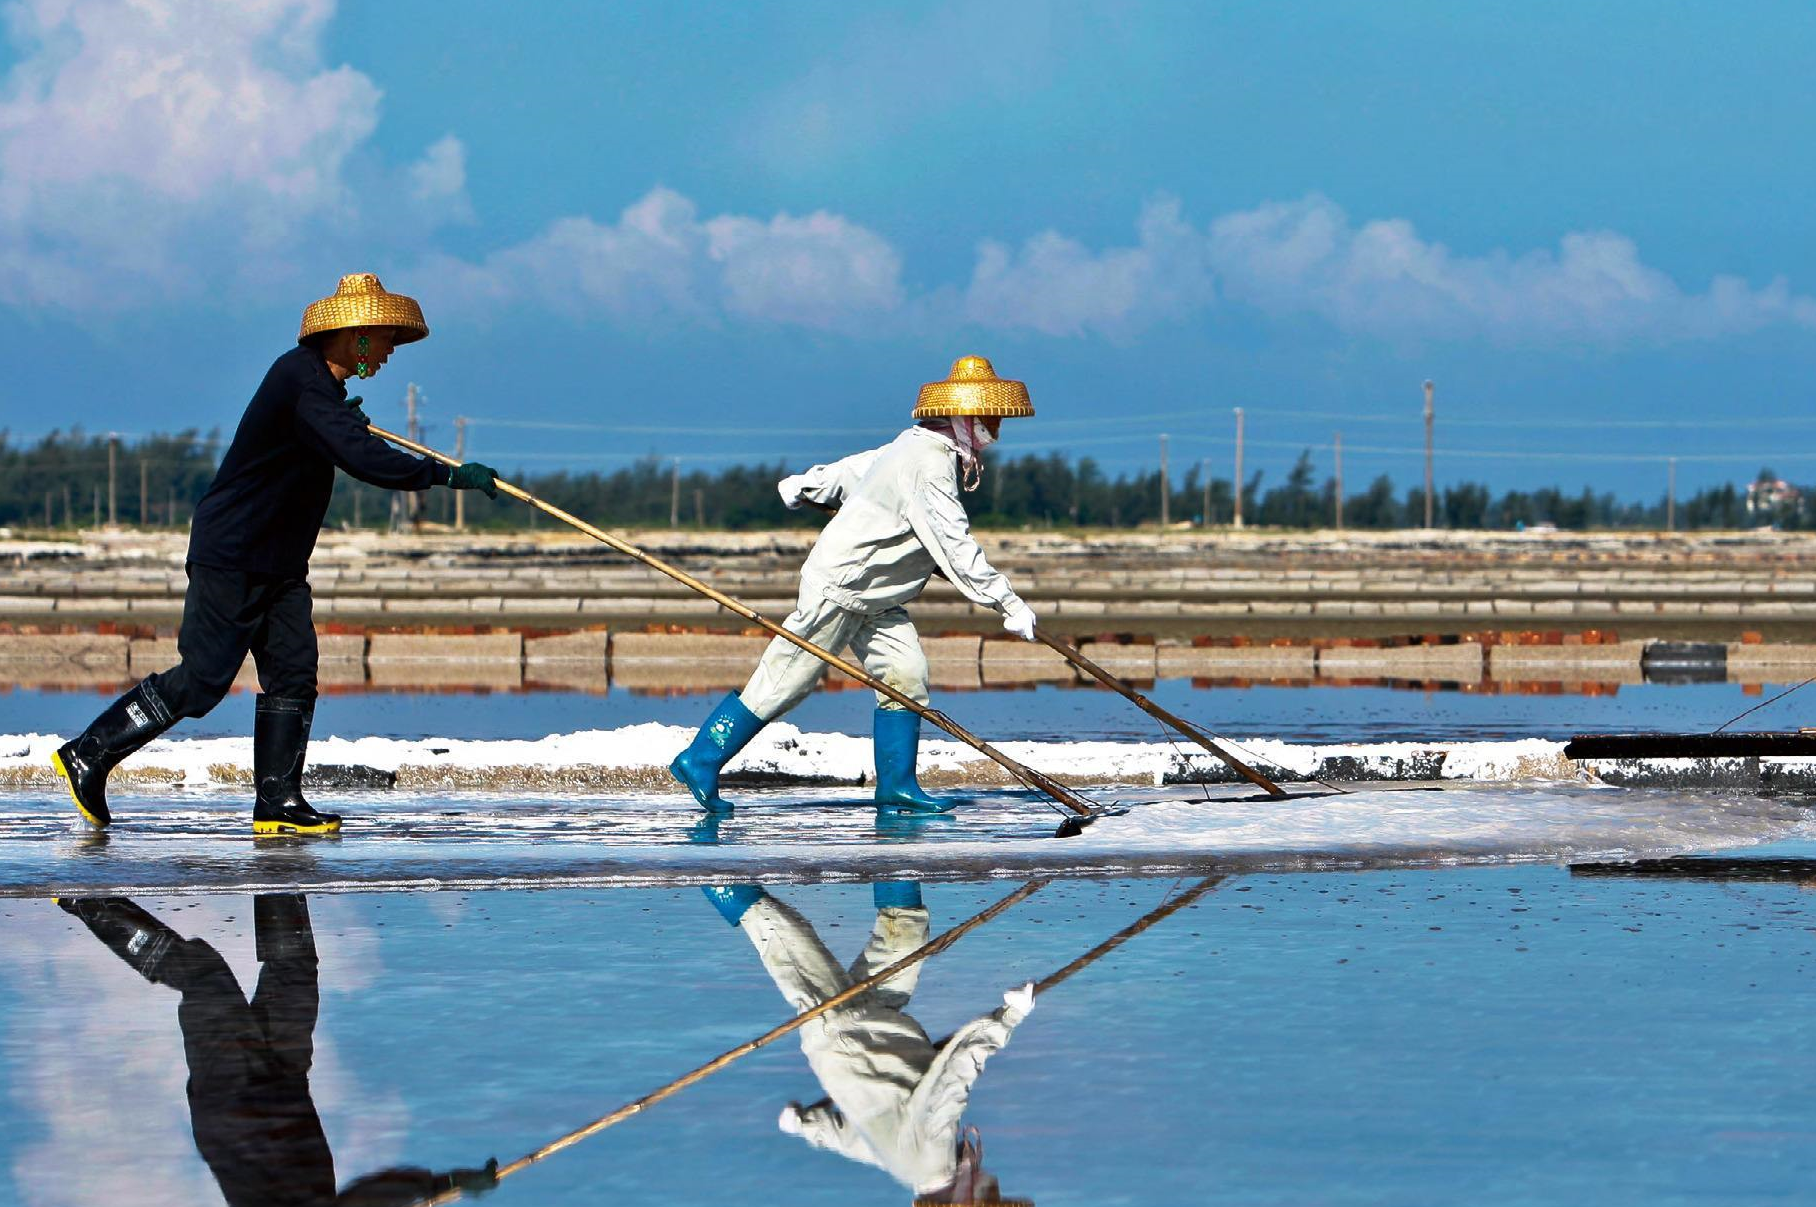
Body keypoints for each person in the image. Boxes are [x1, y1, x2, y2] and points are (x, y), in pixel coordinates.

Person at [50, 273, 501, 834]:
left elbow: (343, 438)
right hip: (234, 554)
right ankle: (89, 753)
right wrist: (448, 474)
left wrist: (343, 422)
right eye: (385, 339)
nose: (388, 353)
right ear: (356, 337)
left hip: (281, 564)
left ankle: (277, 803)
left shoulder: (321, 394)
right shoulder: (302, 381)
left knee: (293, 674)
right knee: (203, 681)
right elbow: (369, 461)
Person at [670, 355, 1038, 814]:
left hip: (880, 595)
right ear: (966, 418)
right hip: (842, 586)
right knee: (787, 679)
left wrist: (811, 484)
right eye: (990, 418)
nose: (994, 427)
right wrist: (1007, 603)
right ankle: (700, 758)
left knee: (906, 676)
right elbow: (954, 543)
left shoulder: (916, 447)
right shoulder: (928, 462)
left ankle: (897, 786)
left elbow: (859, 470)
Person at [54, 894, 499, 1205]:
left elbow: (368, 1199)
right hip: (286, 1085)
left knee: (205, 979)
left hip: (232, 1102)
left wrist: (444, 1181)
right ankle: (277, 865)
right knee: (294, 968)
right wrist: (438, 1186)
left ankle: (84, 899)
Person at [702, 879, 1034, 1205]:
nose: (994, 1187)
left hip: (844, 1034)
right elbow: (858, 1139)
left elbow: (953, 1078)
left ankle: (711, 867)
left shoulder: (933, 1162)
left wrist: (1007, 1018)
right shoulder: (911, 1169)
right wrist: (807, 1126)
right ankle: (896, 833)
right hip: (876, 1020)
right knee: (905, 931)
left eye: (990, 1197)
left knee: (783, 935)